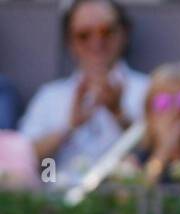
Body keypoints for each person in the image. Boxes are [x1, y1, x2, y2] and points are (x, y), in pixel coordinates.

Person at [18, 0, 148, 185]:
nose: (97, 42)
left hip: (129, 205)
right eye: (84, 35)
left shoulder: (149, 88)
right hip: (59, 206)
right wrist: (69, 126)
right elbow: (21, 158)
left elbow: (163, 152)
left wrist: (120, 116)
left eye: (107, 31)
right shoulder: (50, 96)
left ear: (124, 33)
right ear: (70, 42)